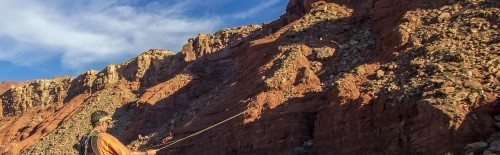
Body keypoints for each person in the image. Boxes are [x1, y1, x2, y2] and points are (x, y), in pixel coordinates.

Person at [80, 110, 158, 155]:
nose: (108, 125)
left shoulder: (84, 138)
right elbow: (128, 154)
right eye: (107, 123)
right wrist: (147, 153)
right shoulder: (104, 137)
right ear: (103, 123)